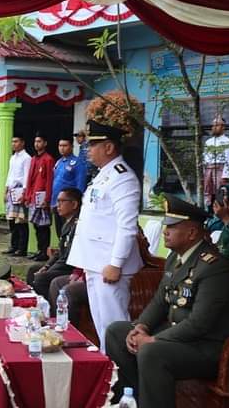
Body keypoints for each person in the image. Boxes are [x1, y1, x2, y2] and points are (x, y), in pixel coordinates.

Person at [106, 194, 229, 408]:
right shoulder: (175, 258)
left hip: (209, 348)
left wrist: (153, 340)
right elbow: (160, 300)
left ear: (191, 233)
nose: (165, 231)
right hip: (181, 337)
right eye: (165, 226)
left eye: (172, 227)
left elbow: (199, 323)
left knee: (152, 352)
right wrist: (141, 326)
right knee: (117, 332)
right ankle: (134, 400)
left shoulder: (213, 267)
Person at [67, 120, 141, 352]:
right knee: (101, 324)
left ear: (109, 148)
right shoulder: (103, 175)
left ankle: (123, 376)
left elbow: (127, 227)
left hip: (109, 265)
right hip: (94, 262)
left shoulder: (123, 178)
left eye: (93, 145)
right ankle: (109, 369)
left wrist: (115, 263)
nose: (88, 150)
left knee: (114, 324)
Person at [26, 187, 81, 298]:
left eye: (62, 201)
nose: (58, 205)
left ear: (74, 204)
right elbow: (60, 251)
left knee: (41, 278)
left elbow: (67, 257)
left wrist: (48, 270)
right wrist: (46, 266)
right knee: (33, 270)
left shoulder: (78, 225)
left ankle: (52, 309)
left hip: (70, 267)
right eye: (57, 201)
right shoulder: (67, 223)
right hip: (63, 264)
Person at [24, 133, 55, 262]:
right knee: (36, 226)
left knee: (43, 227)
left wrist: (47, 199)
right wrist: (27, 196)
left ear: (45, 143)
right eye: (36, 141)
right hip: (33, 197)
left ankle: (44, 251)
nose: (37, 144)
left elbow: (49, 180)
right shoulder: (33, 159)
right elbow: (29, 179)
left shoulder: (48, 159)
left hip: (42, 198)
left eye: (40, 141)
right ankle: (39, 250)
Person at [51, 137, 87, 236]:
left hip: (69, 204)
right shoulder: (58, 162)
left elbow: (80, 185)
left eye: (65, 146)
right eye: (60, 146)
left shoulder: (77, 163)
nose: (62, 148)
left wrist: (78, 203)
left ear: (71, 147)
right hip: (57, 202)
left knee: (69, 231)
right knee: (59, 231)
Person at [2, 135, 31, 256]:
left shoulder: (27, 158)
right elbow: (10, 174)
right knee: (12, 221)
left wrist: (24, 193)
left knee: (21, 221)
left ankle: (22, 248)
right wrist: (6, 190)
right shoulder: (13, 157)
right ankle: (13, 246)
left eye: (16, 141)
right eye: (12, 141)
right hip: (11, 191)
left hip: (20, 190)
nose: (13, 144)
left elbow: (26, 176)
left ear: (22, 143)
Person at [204, 116, 229, 210]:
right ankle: (209, 211)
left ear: (223, 127)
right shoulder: (208, 142)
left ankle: (220, 211)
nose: (214, 127)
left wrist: (225, 175)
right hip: (209, 169)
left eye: (217, 125)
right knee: (208, 191)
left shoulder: (228, 141)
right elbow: (205, 158)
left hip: (220, 169)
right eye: (213, 125)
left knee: (220, 191)